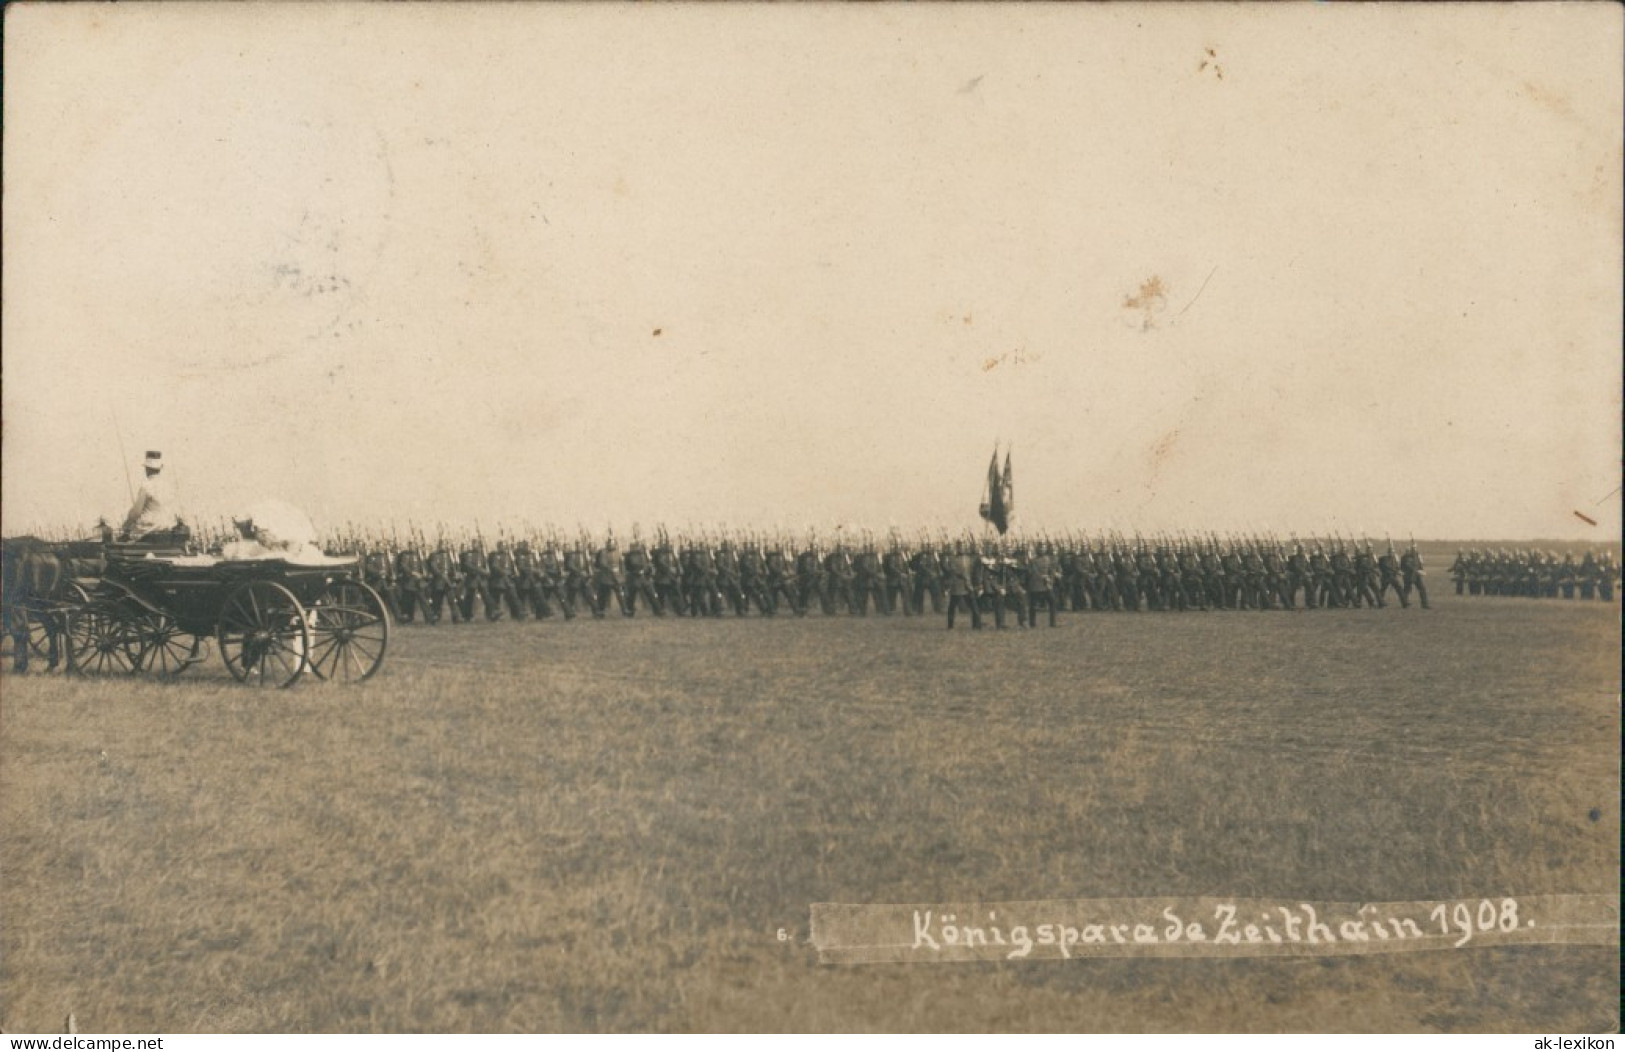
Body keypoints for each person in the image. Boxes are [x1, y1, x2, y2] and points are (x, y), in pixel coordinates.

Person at [120, 450, 184, 544]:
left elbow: (136, 513)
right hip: (166, 531)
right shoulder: (169, 486)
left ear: (147, 468)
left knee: (122, 539)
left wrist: (126, 524)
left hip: (147, 531)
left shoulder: (146, 486)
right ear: (160, 468)